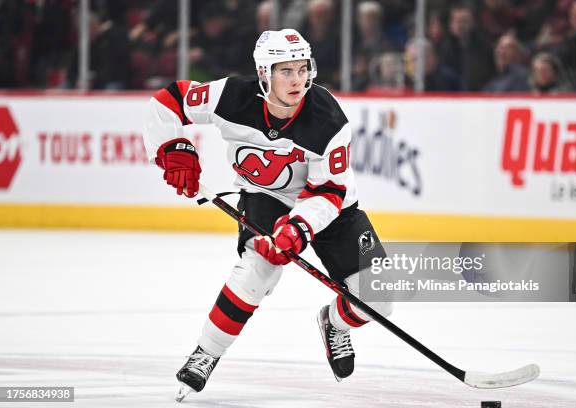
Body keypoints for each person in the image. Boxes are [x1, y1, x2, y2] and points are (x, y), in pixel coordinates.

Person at [142, 29, 393, 402]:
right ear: (264, 73)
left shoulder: (328, 120)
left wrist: (297, 229)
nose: (298, 80)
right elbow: (170, 100)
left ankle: (334, 324)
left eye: (302, 68)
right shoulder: (231, 97)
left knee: (379, 295)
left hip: (330, 207)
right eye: (286, 71)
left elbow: (328, 192)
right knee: (256, 271)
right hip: (266, 197)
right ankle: (205, 354)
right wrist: (172, 146)